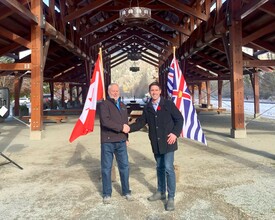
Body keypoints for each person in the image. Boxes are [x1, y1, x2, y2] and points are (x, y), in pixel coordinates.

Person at [129, 81, 183, 211]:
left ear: (160, 92)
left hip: (168, 141)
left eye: (156, 90)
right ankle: (160, 192)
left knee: (169, 168)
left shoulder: (168, 104)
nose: (154, 92)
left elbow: (179, 119)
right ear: (150, 92)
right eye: (152, 90)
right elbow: (141, 122)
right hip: (156, 142)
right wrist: (127, 128)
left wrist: (175, 134)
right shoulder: (148, 107)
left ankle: (171, 197)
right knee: (159, 167)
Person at [98, 83, 132, 204]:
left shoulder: (123, 105)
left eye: (117, 90)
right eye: (113, 91)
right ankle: (107, 193)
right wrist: (121, 128)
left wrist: (126, 137)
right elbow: (105, 121)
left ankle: (126, 191)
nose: (115, 92)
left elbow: (125, 123)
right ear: (108, 92)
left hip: (121, 141)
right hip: (108, 141)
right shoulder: (104, 104)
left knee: (124, 167)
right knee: (106, 168)